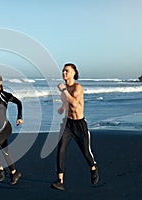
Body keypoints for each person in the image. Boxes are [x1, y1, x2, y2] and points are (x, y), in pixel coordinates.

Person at [51, 63, 99, 191]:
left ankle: (93, 167)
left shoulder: (78, 88)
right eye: (63, 71)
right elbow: (67, 103)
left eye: (67, 71)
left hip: (79, 125)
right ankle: (60, 180)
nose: (64, 73)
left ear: (73, 73)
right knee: (60, 150)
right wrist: (62, 108)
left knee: (86, 152)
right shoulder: (64, 88)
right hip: (68, 124)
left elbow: (74, 102)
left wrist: (64, 90)